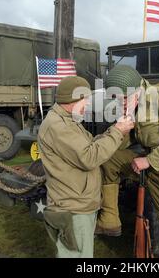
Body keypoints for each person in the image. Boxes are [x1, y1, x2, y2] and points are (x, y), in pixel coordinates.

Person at [95, 66, 159, 258]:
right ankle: (109, 219)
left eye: (123, 98)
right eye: (116, 98)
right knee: (109, 159)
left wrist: (149, 161)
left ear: (137, 89)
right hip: (147, 164)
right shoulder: (134, 105)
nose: (120, 103)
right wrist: (112, 136)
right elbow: (132, 138)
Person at [38, 76, 134, 258]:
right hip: (73, 210)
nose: (88, 104)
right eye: (86, 99)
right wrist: (117, 132)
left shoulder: (68, 121)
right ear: (72, 99)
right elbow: (89, 157)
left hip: (78, 206)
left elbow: (90, 144)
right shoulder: (58, 126)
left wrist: (116, 130)